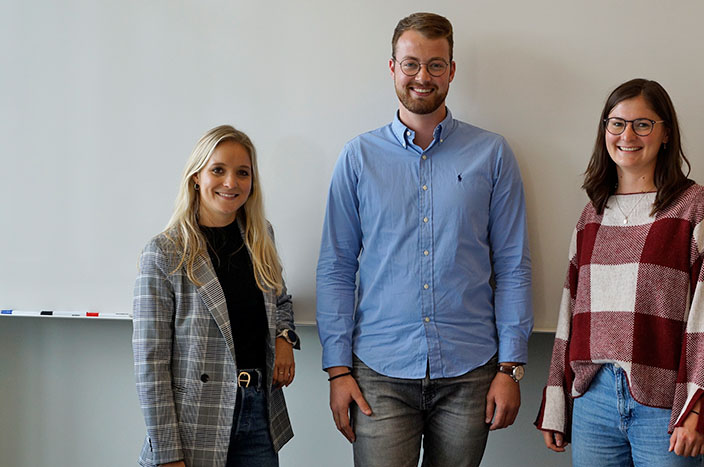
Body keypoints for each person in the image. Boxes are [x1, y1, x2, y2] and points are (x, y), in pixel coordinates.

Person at [316, 12, 533, 467]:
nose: (422, 76)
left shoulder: (492, 154)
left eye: (436, 65)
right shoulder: (358, 157)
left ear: (452, 71)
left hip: (470, 371)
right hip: (378, 371)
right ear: (392, 67)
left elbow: (513, 265)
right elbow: (336, 265)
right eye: (411, 63)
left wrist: (510, 368)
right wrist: (337, 370)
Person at [535, 79, 704, 466]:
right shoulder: (592, 215)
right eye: (616, 123)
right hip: (593, 402)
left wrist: (695, 409)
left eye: (642, 124)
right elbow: (570, 314)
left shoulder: (697, 208)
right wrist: (557, 402)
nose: (627, 135)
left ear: (665, 134)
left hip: (666, 406)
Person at [132, 125, 299, 467]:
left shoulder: (260, 236)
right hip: (195, 422)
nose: (230, 183)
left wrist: (284, 339)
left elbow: (280, 300)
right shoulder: (165, 252)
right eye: (218, 170)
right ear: (196, 177)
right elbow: (149, 363)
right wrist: (167, 454)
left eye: (242, 173)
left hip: (259, 415)